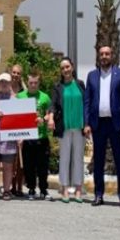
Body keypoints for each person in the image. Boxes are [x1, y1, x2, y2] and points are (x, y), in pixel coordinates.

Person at [83, 45, 120, 209]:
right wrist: (87, 123)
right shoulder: (92, 76)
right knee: (98, 160)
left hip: (116, 123)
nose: (104, 56)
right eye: (101, 54)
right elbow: (87, 101)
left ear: (112, 55)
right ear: (98, 56)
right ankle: (98, 195)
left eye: (107, 54)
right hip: (98, 124)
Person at [47, 57, 86, 203]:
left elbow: (86, 104)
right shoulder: (58, 87)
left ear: (72, 67)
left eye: (67, 67)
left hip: (79, 127)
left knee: (78, 159)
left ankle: (77, 190)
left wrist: (88, 124)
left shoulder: (80, 84)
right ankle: (64, 189)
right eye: (63, 68)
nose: (65, 70)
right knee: (64, 159)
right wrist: (50, 118)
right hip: (64, 127)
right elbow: (53, 105)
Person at [16, 71, 52, 201]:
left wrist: (45, 118)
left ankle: (43, 189)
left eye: (35, 83)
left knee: (43, 166)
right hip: (27, 137)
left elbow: (50, 113)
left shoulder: (45, 97)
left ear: (39, 82)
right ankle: (31, 188)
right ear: (27, 82)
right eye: (31, 82)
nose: (33, 85)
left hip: (41, 136)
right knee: (29, 166)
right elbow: (16, 117)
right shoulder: (20, 96)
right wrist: (19, 135)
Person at [0, 73, 18, 201]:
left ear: (10, 83)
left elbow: (20, 120)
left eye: (6, 82)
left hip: (9, 139)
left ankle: (6, 190)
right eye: (1, 82)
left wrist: (20, 137)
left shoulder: (15, 101)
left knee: (7, 166)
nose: (4, 84)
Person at [9, 64, 26, 197]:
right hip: (7, 127)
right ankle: (11, 185)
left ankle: (19, 186)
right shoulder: (6, 89)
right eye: (14, 72)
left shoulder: (24, 92)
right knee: (10, 159)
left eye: (18, 73)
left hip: (21, 127)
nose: (15, 75)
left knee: (20, 160)